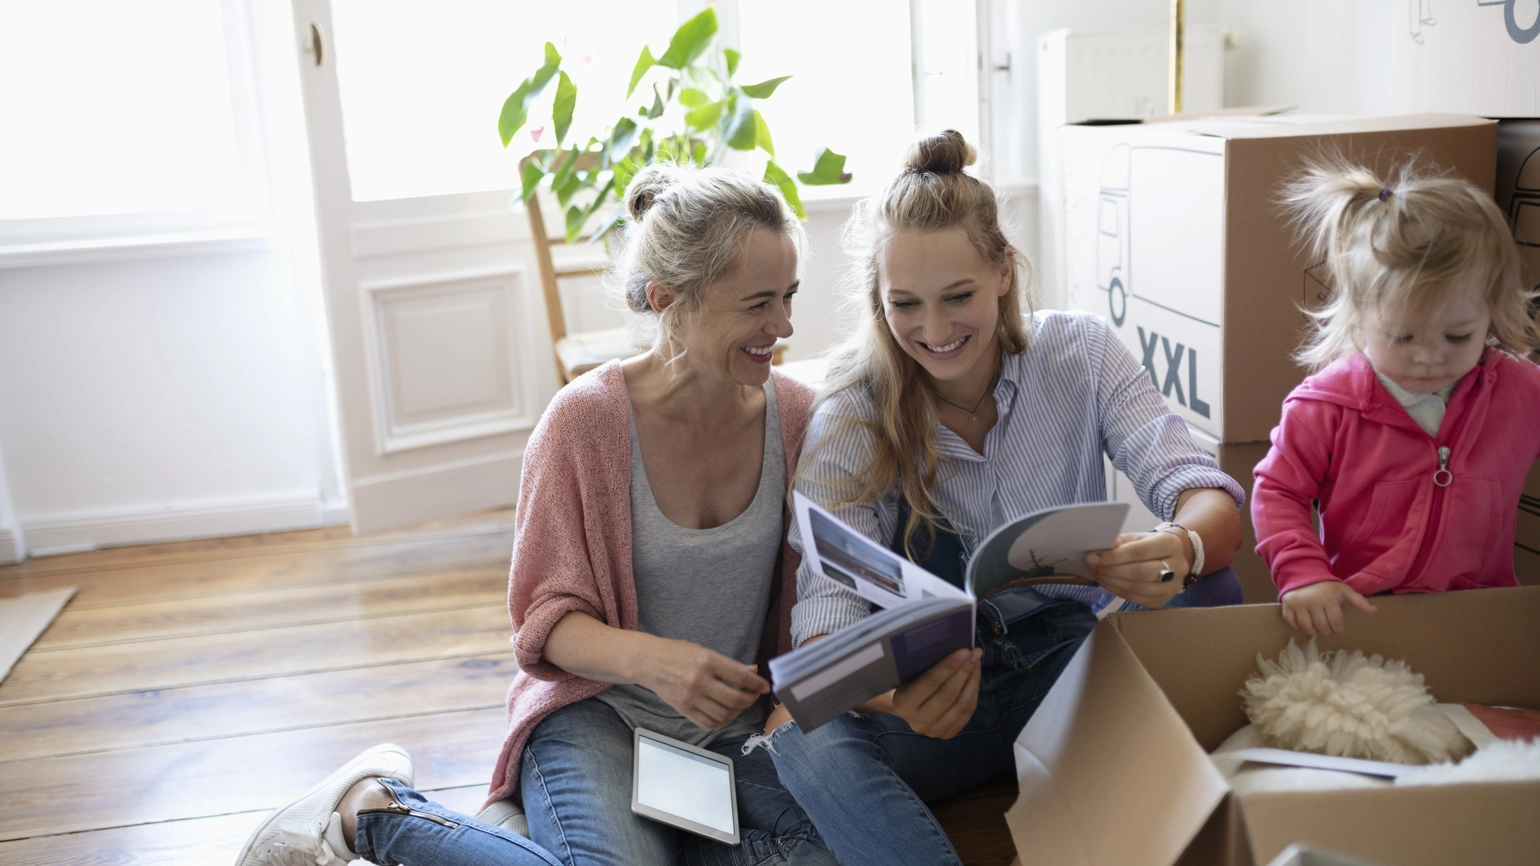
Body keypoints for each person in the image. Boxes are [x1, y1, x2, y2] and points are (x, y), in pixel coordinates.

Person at [235, 165, 836, 866]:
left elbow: (813, 607)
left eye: (789, 296)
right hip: (602, 718)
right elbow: (541, 625)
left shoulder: (795, 417)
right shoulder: (583, 424)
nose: (785, 326)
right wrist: (657, 663)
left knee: (828, 851)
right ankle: (373, 808)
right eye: (758, 303)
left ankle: (521, 846)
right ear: (668, 298)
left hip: (732, 735)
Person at [753, 130, 1246, 866]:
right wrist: (892, 697)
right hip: (935, 695)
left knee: (1212, 590)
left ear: (1005, 271)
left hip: (1071, 671)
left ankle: (1074, 820)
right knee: (803, 735)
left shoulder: (1080, 353)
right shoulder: (852, 413)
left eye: (959, 297)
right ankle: (1080, 806)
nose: (936, 330)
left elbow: (1205, 495)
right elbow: (824, 636)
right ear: (878, 301)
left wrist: (1178, 547)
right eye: (905, 305)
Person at [1251, 158, 1540, 636]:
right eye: (1404, 338)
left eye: (1457, 336)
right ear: (1359, 315)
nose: (1429, 358)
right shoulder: (1325, 406)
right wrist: (1302, 573)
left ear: (1491, 313)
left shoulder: (1520, 390)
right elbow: (1279, 490)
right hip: (1357, 611)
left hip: (1480, 615)